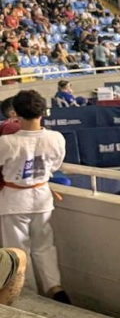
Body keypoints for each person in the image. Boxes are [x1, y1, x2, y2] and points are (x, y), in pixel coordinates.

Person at [0, 90, 69, 303]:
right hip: (42, 197)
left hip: (14, 200)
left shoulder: (7, 142)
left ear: (16, 113)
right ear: (43, 112)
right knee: (45, 246)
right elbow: (55, 165)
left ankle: (27, 295)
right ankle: (54, 287)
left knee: (18, 251)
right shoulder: (56, 138)